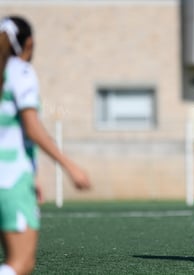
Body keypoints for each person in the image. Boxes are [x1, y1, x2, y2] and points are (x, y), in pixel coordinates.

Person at [0, 16, 91, 275]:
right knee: (21, 263)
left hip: (15, 177)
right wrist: (69, 165)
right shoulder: (20, 71)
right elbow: (31, 126)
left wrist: (33, 175)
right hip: (9, 180)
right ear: (30, 42)